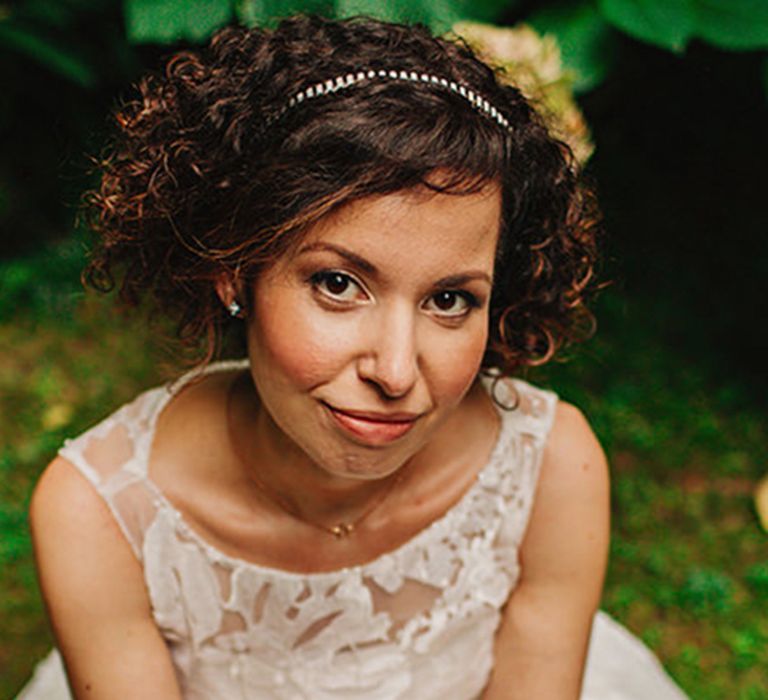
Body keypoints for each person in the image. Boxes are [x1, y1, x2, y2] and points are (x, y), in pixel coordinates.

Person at [19, 14, 688, 700]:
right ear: (231, 269)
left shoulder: (550, 470)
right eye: (339, 285)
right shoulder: (99, 516)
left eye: (451, 299)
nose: (396, 372)